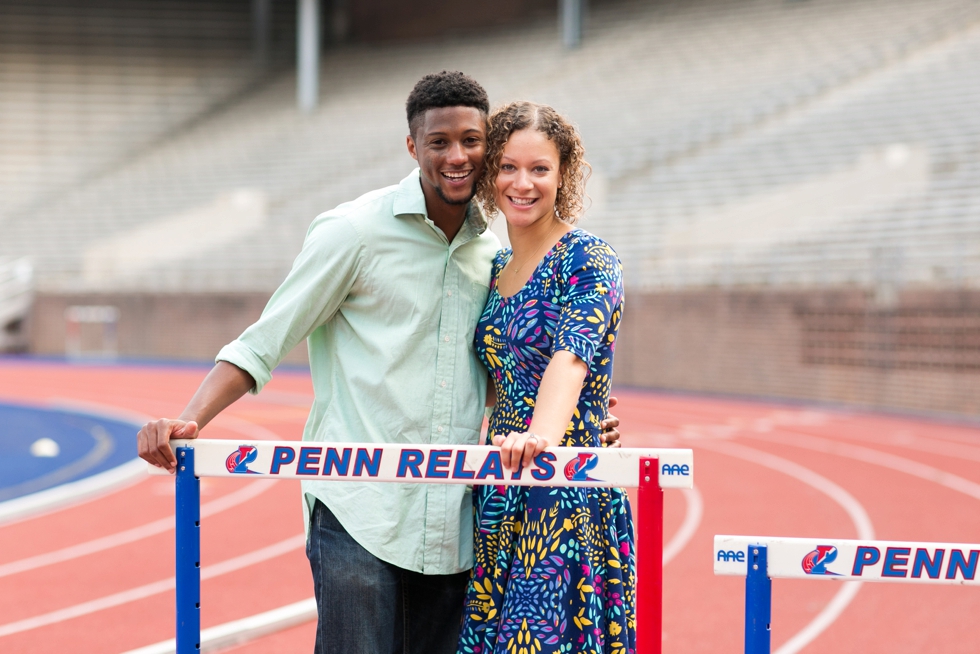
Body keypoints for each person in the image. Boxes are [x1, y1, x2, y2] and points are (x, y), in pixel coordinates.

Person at [137, 72, 621, 654]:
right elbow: (265, 340)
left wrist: (577, 426)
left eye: (471, 141)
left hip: (458, 521)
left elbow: (516, 370)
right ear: (413, 146)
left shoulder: (491, 255)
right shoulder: (354, 232)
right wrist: (191, 419)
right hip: (360, 511)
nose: (457, 156)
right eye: (439, 142)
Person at [457, 101, 636, 654]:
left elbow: (571, 357)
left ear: (565, 176)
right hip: (497, 490)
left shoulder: (589, 258)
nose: (523, 183)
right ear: (490, 176)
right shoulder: (491, 269)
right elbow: (493, 378)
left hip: (561, 488)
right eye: (508, 167)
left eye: (540, 169)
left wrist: (544, 437)